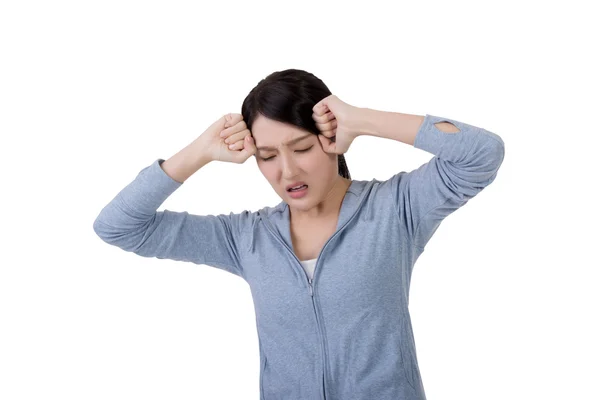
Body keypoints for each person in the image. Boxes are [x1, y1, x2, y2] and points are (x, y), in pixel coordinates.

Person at [93, 69, 505, 400]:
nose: (287, 172)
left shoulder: (395, 209)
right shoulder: (244, 239)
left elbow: (482, 154)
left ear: (332, 138)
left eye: (302, 148)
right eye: (268, 156)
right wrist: (199, 150)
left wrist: (361, 119)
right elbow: (118, 226)